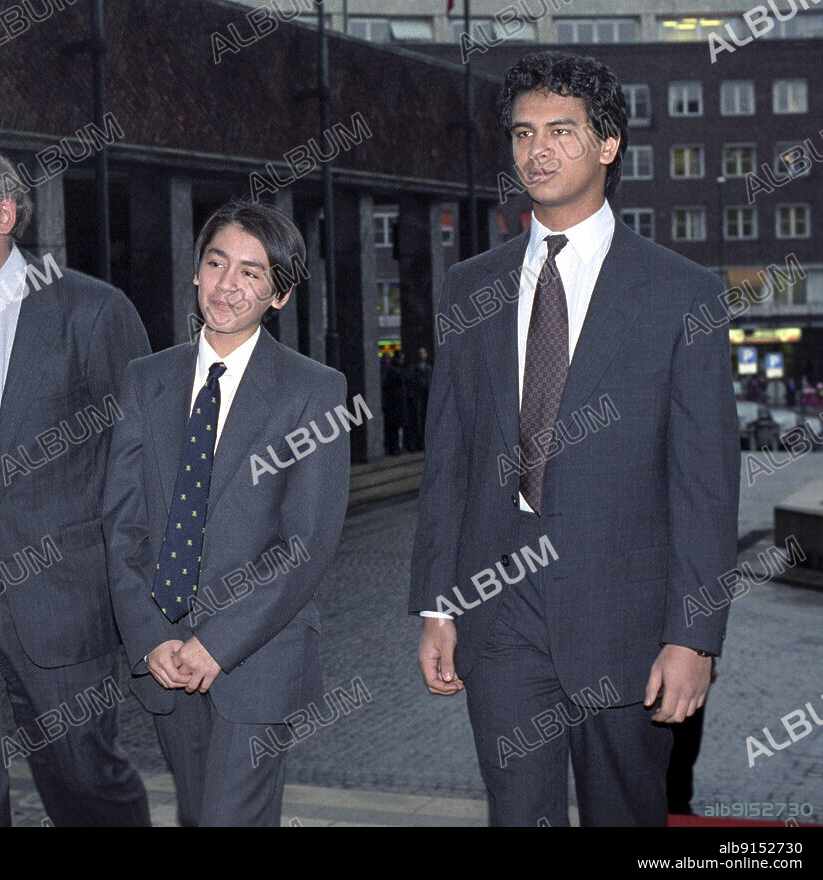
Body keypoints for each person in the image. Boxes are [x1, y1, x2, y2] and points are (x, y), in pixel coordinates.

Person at [409, 51, 739, 827]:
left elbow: (706, 485)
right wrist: (437, 605)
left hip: (626, 619)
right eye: (524, 133)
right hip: (498, 613)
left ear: (608, 144)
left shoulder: (683, 293)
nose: (539, 150)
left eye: (562, 130)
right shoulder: (470, 287)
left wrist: (694, 637)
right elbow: (448, 459)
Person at [0, 146, 151, 826]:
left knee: (84, 783)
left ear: (4, 213)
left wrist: (140, 594)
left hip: (61, 593)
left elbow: (140, 458)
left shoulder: (92, 310)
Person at [103, 200, 350, 826]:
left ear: (279, 295)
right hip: (165, 656)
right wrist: (150, 635)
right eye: (216, 264)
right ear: (196, 271)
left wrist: (217, 643)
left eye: (251, 272)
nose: (227, 285)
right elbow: (123, 526)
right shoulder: (145, 380)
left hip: (258, 658)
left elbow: (306, 543)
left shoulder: (313, 391)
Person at [406, 346, 433, 452]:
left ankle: (423, 442)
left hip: (425, 398)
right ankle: (416, 442)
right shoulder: (412, 369)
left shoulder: (429, 369)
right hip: (417, 398)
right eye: (420, 353)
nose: (422, 355)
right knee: (416, 421)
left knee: (424, 420)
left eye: (423, 353)